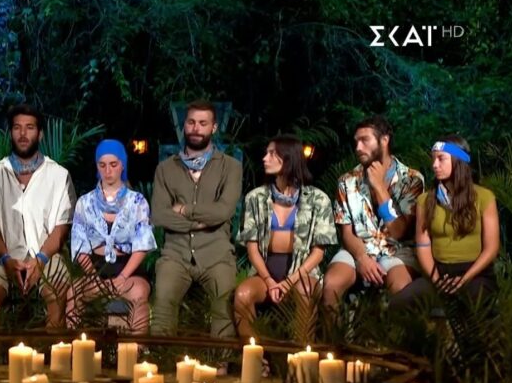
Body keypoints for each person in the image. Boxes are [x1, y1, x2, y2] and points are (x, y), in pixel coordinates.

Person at [150, 100, 243, 338]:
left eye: (203, 123)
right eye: (191, 122)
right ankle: (160, 357)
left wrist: (184, 210)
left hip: (217, 255)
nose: (196, 128)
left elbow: (223, 212)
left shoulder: (230, 167)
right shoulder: (165, 169)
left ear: (214, 128)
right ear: (184, 126)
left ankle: (221, 359)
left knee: (224, 309)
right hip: (175, 254)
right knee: (163, 304)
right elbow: (159, 214)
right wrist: (201, 221)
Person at [0, 104, 76, 328]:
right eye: (17, 127)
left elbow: (61, 228)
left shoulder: (58, 175)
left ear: (40, 134)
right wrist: (6, 260)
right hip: (3, 258)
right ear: (10, 133)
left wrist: (40, 260)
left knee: (56, 291)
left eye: (30, 127)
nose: (23, 134)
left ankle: (53, 347)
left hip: (47, 257)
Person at [234, 135, 337, 338]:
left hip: (302, 274)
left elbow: (318, 253)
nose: (265, 158)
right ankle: (254, 353)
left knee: (305, 290)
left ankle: (301, 353)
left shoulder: (318, 199)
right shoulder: (255, 198)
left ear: (289, 158)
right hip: (265, 274)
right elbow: (252, 249)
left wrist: (290, 281)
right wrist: (269, 280)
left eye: (272, 154)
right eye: (266, 153)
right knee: (242, 294)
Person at [322, 116, 424, 308]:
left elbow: (399, 232)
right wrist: (362, 258)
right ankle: (331, 329)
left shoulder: (411, 179)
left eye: (365, 140)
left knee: (401, 288)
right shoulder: (347, 181)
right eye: (356, 142)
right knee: (331, 285)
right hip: (358, 248)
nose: (358, 147)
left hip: (397, 250)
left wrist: (379, 187)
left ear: (384, 140)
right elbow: (347, 233)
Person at [390, 136, 499, 310]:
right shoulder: (425, 201)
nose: (434, 165)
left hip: (476, 274)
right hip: (439, 273)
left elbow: (491, 248)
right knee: (398, 304)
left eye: (441, 159)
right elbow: (423, 246)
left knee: (472, 305)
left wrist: (465, 278)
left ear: (459, 161)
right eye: (433, 159)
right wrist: (436, 280)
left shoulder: (484, 197)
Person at [69, 139, 157, 333]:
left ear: (122, 165)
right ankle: (74, 347)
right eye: (102, 165)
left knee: (139, 293)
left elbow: (142, 245)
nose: (108, 171)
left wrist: (123, 277)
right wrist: (93, 276)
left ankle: (138, 348)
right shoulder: (85, 203)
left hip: (128, 268)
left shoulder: (137, 201)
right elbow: (79, 244)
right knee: (72, 293)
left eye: (113, 164)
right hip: (95, 268)